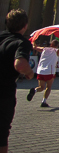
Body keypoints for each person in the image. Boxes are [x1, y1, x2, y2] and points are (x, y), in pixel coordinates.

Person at [0, 9, 34, 153]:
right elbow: (20, 64)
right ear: (25, 26)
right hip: (3, 92)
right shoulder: (22, 42)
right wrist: (29, 72)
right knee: (1, 133)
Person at [27, 36, 59, 107]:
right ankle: (44, 101)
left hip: (41, 70)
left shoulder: (44, 49)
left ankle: (35, 90)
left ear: (51, 44)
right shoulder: (57, 51)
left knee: (41, 87)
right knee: (48, 87)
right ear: (57, 45)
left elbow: (35, 47)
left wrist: (33, 40)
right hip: (50, 71)